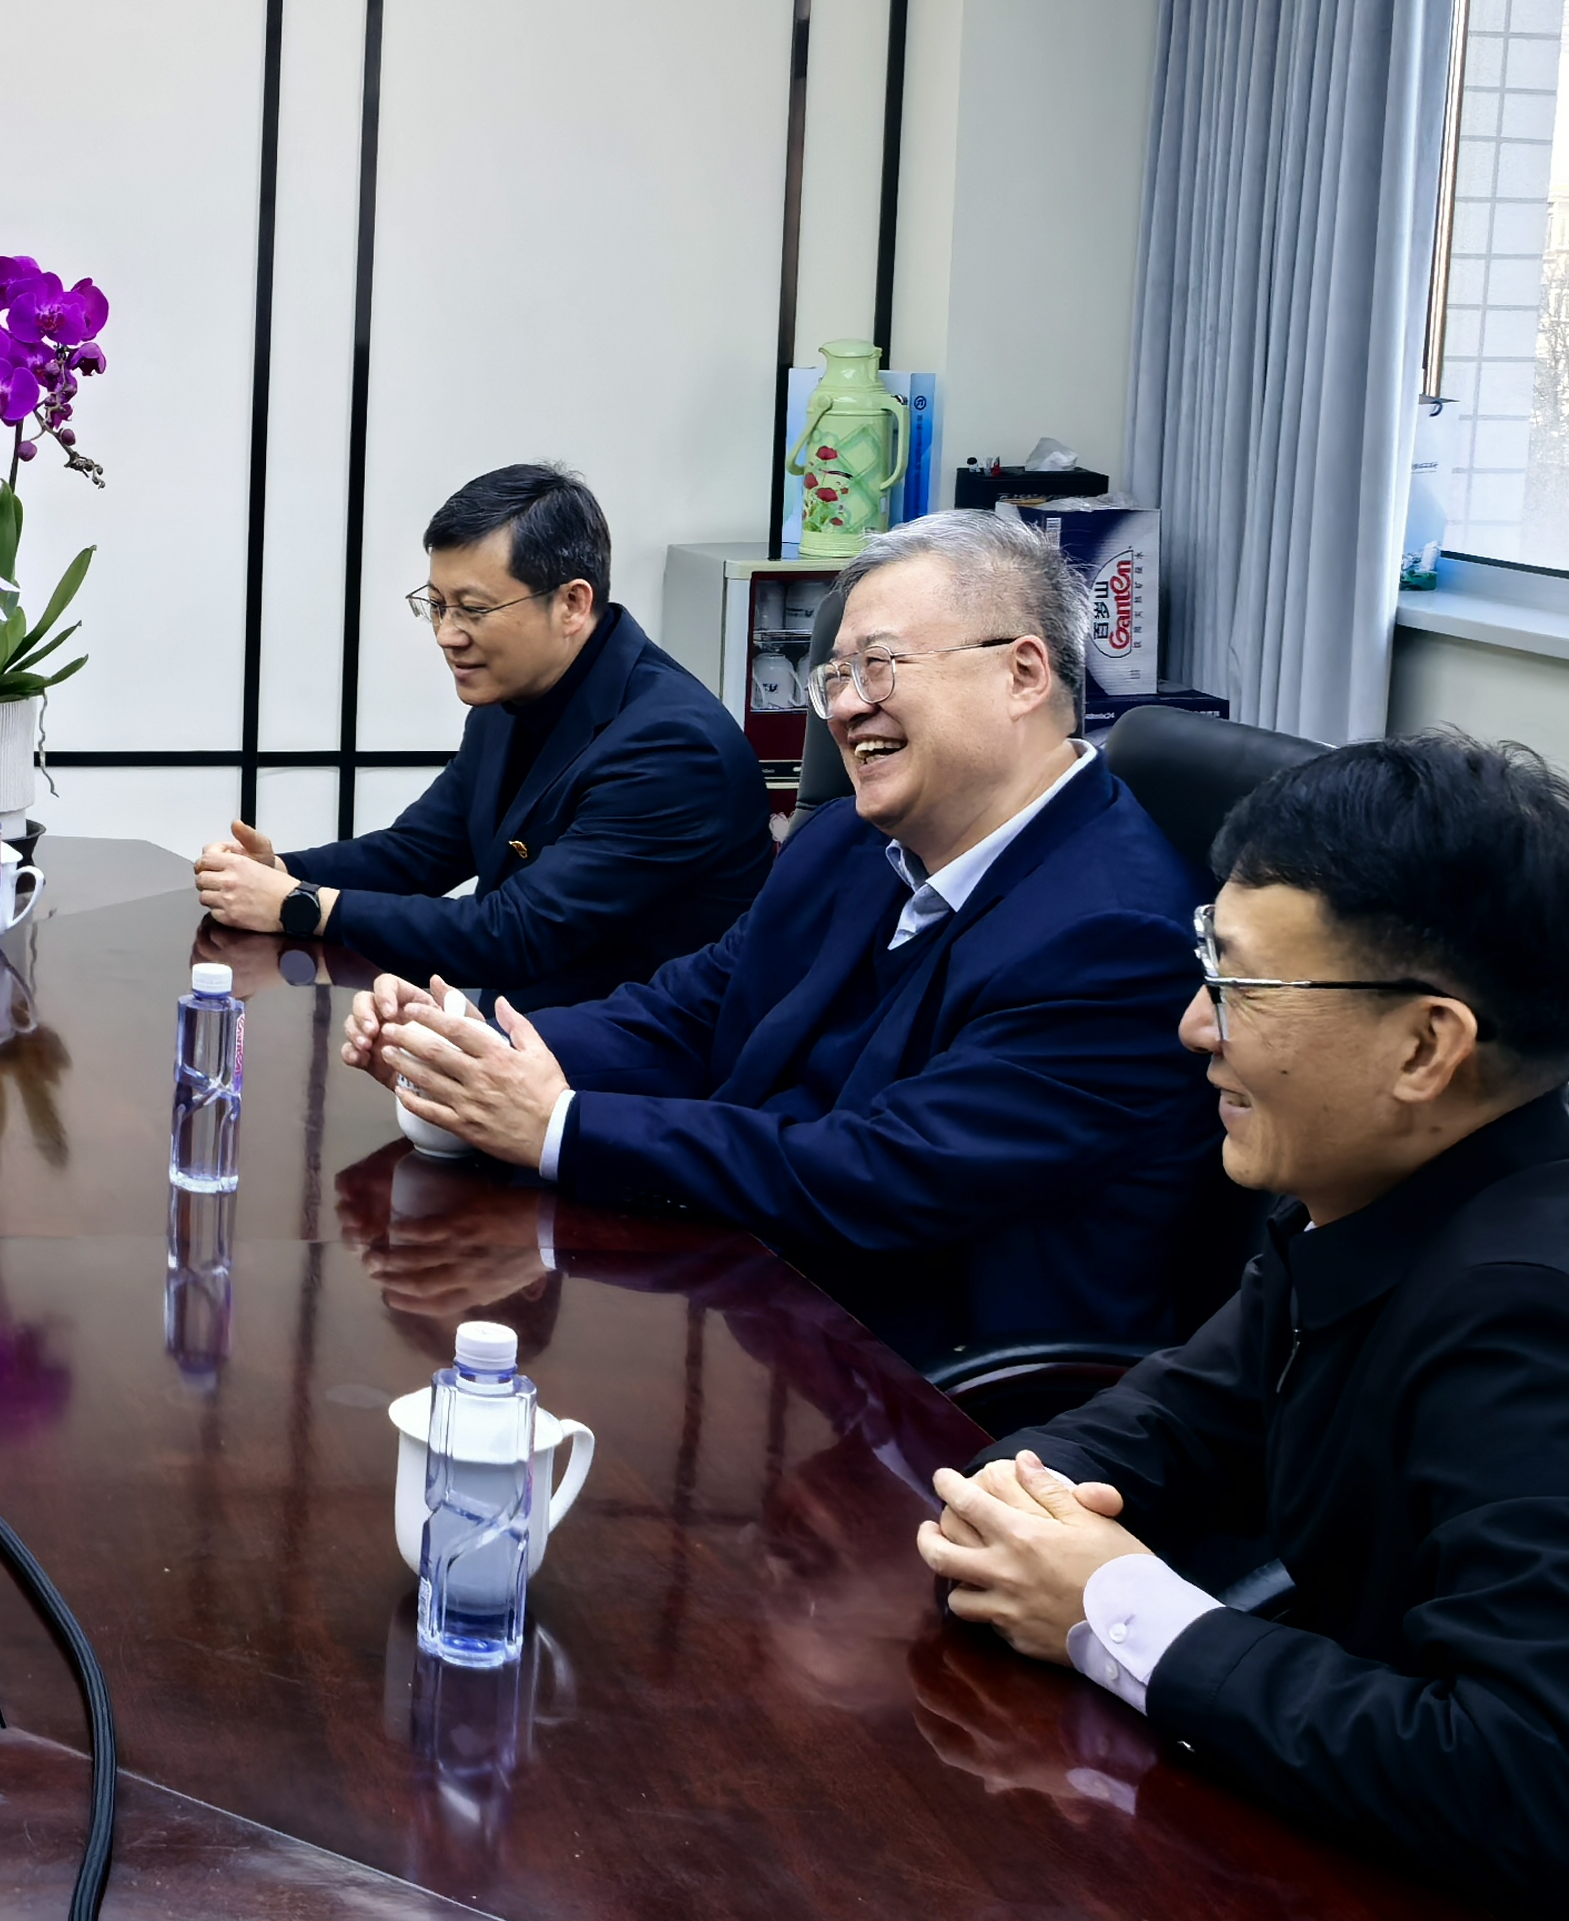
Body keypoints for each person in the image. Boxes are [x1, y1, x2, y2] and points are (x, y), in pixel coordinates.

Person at [921, 735, 1569, 1921]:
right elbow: (1171, 1422)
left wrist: (1115, 1607)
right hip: (1396, 1877)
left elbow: (1535, 1795)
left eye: (1240, 987)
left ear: (1426, 1046)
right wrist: (1013, 1510)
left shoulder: (1562, 1320)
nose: (1195, 1024)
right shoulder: (1383, 1196)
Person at [345, 508, 1226, 1366]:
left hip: (935, 1390)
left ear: (1023, 674)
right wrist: (474, 1055)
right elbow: (691, 1011)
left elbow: (882, 1173)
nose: (844, 709)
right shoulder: (849, 840)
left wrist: (557, 1125)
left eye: (876, 668)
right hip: (767, 1300)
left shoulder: (1116, 936)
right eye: (834, 677)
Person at [192, 462, 765, 1005]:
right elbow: (418, 853)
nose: (447, 634)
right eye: (438, 606)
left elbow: (517, 933)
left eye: (473, 609)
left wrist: (300, 906)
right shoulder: (511, 694)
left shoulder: (672, 746)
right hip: (518, 1035)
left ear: (571, 603)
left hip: (633, 1057)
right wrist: (282, 873)